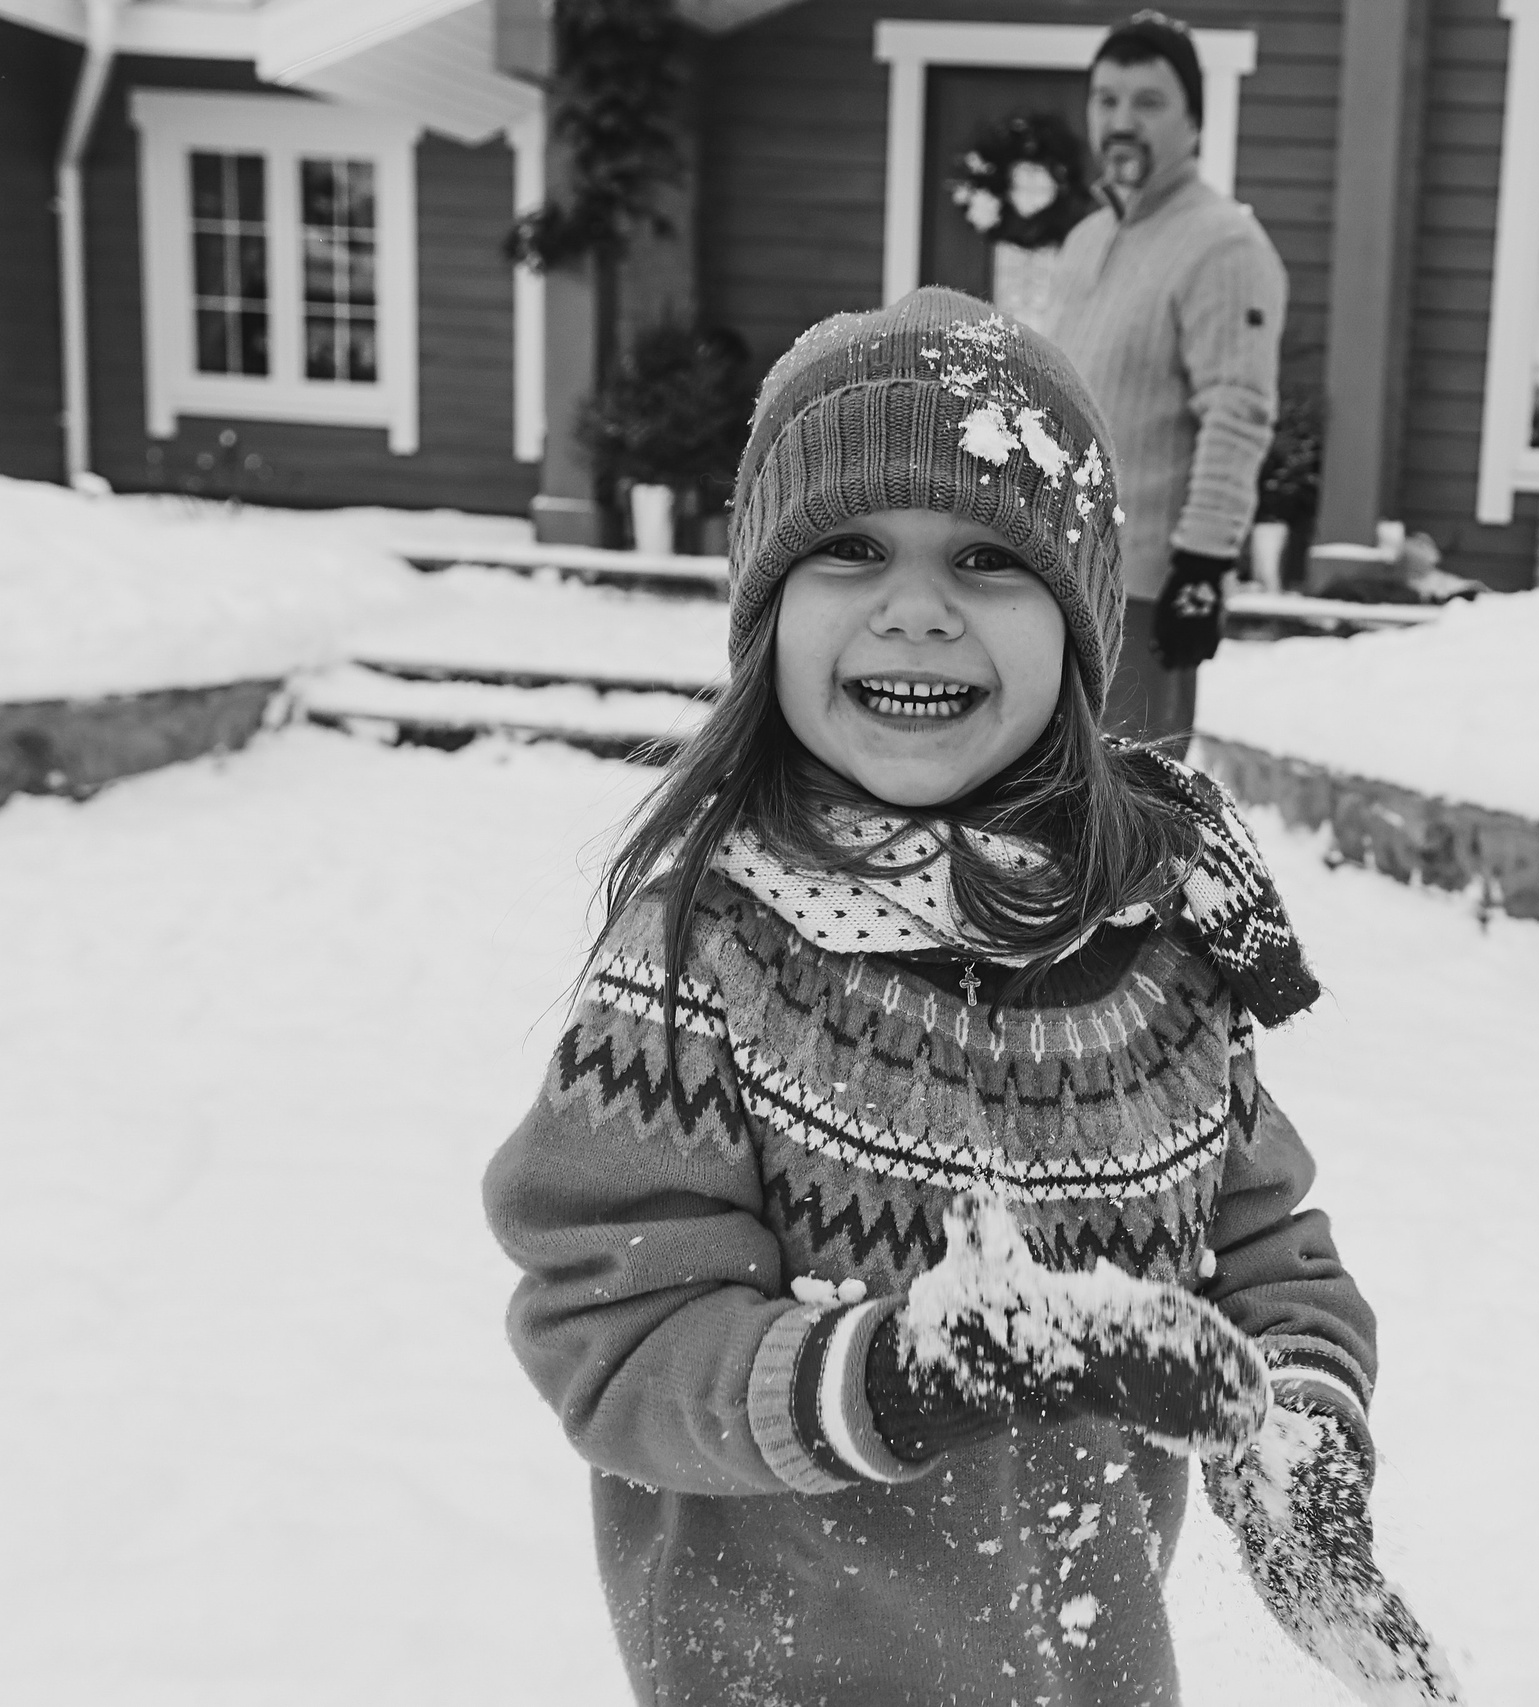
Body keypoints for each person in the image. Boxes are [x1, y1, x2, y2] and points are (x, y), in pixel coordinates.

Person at [483, 288, 1452, 1706]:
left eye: (991, 558)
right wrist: (901, 1373)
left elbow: (1262, 1251)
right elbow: (610, 1329)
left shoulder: (1159, 946)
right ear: (765, 612)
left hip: (1090, 1666)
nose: (919, 607)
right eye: (853, 549)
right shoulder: (710, 952)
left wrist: (1290, 1437)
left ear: (1074, 625)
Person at [1049, 11, 1286, 750]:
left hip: (1145, 589)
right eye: (1107, 99)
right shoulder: (1088, 238)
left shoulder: (1223, 245)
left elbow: (1239, 411)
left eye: (1148, 102)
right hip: (1055, 571)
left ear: (1194, 124)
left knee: (1128, 812)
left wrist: (1204, 564)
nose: (1122, 120)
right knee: (1040, 813)